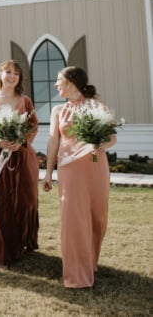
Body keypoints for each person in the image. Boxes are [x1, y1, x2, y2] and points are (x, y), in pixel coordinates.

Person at [41, 67, 115, 288]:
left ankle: (90, 261)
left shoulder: (97, 105)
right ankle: (75, 274)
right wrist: (47, 173)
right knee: (73, 220)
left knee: (97, 217)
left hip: (95, 167)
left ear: (71, 82)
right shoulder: (57, 111)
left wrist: (103, 144)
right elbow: (54, 142)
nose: (56, 85)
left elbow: (111, 137)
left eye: (58, 80)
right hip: (70, 170)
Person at [0, 60, 39, 268]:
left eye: (16, 74)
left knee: (24, 200)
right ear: (0, 75)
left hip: (20, 156)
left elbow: (32, 125)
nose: (11, 76)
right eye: (8, 72)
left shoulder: (25, 101)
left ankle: (19, 244)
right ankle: (0, 251)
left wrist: (21, 141)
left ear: (19, 78)